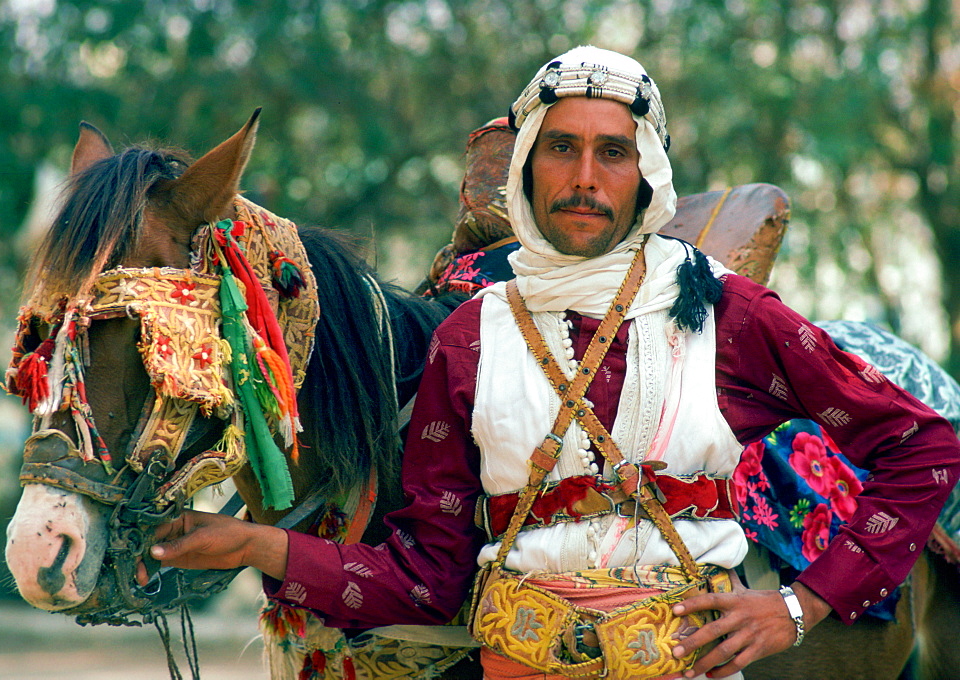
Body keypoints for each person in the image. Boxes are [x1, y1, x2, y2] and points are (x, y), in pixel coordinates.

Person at [140, 46, 960, 679]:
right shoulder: (467, 339)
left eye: (614, 152)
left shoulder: (725, 314)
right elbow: (428, 577)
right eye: (560, 147)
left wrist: (800, 606)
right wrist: (253, 545)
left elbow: (921, 446)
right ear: (527, 164)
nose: (584, 178)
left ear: (647, 173)